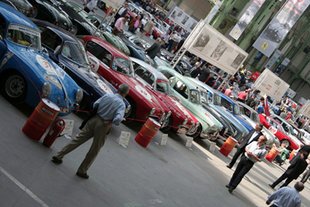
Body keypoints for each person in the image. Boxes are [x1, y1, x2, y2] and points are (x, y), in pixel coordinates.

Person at [51, 84, 130, 179]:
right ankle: (82, 170)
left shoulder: (108, 95)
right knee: (94, 149)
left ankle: (59, 155)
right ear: (126, 94)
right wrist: (110, 121)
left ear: (118, 89)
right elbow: (118, 119)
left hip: (94, 119)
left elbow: (95, 104)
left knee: (77, 139)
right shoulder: (121, 104)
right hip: (104, 125)